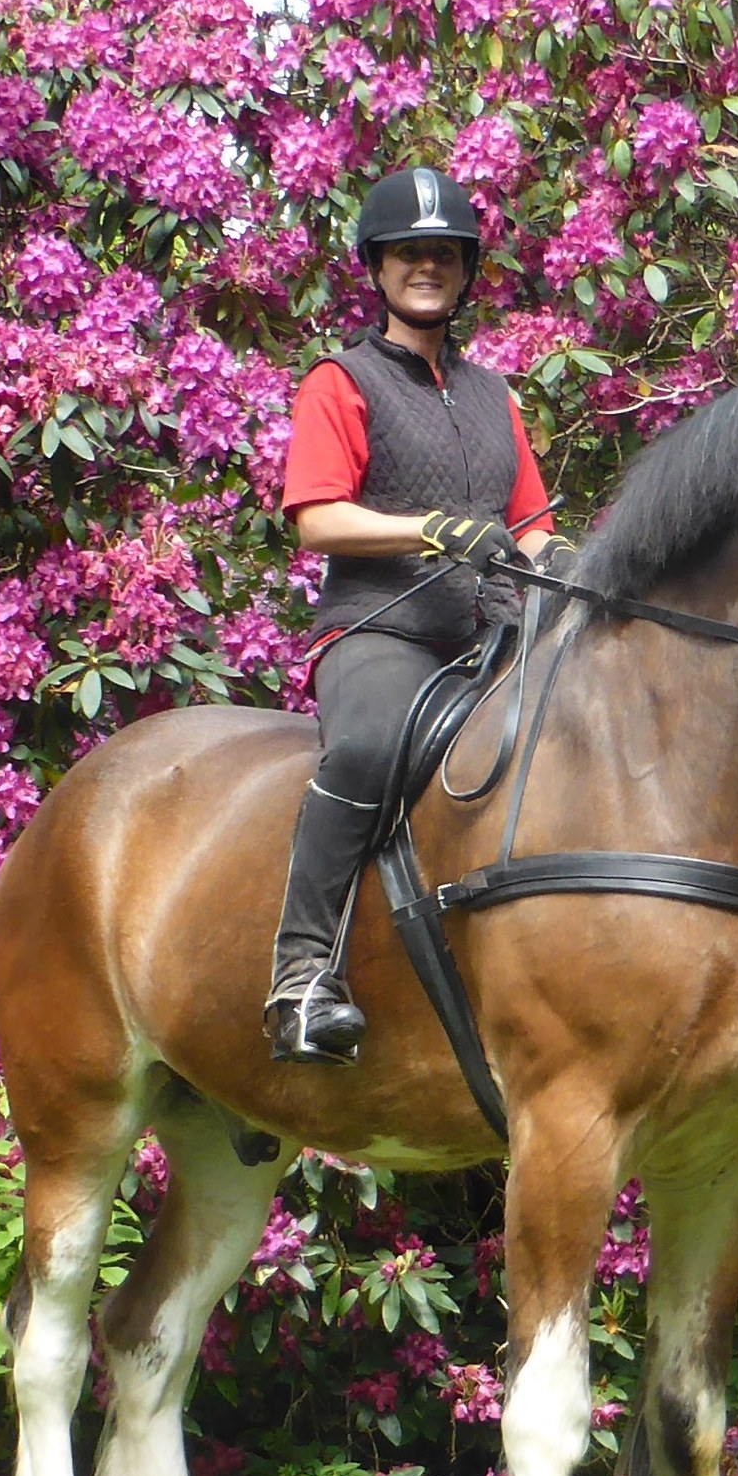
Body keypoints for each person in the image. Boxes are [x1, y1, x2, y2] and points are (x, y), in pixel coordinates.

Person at [267, 167, 560, 1065]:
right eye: (408, 253)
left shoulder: (492, 395)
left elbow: (531, 528)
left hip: (493, 631)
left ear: (465, 269)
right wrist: (427, 528)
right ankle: (302, 975)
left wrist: (580, 567)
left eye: (443, 253)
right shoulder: (341, 381)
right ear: (379, 267)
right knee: (363, 749)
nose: (426, 267)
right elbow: (317, 515)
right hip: (380, 628)